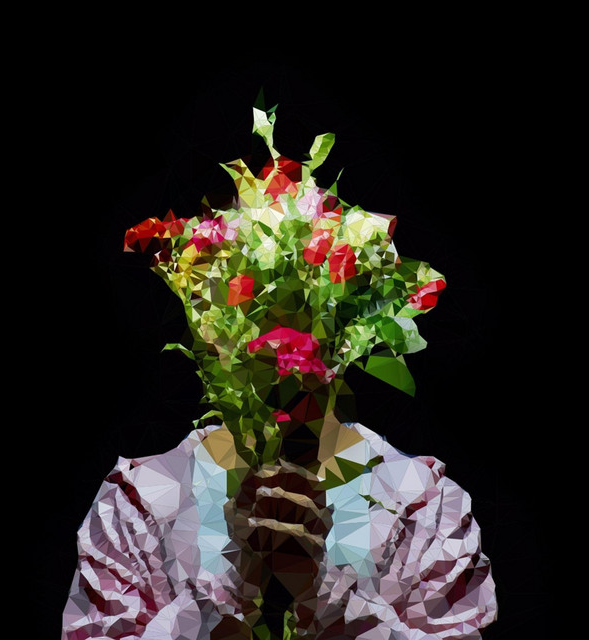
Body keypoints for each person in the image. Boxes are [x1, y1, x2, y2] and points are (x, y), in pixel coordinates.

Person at [62, 107, 497, 639]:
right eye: (253, 328)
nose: (279, 369)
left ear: (346, 338)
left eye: (295, 335)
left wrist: (322, 595)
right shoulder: (140, 505)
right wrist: (235, 589)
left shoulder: (422, 507)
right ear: (210, 337)